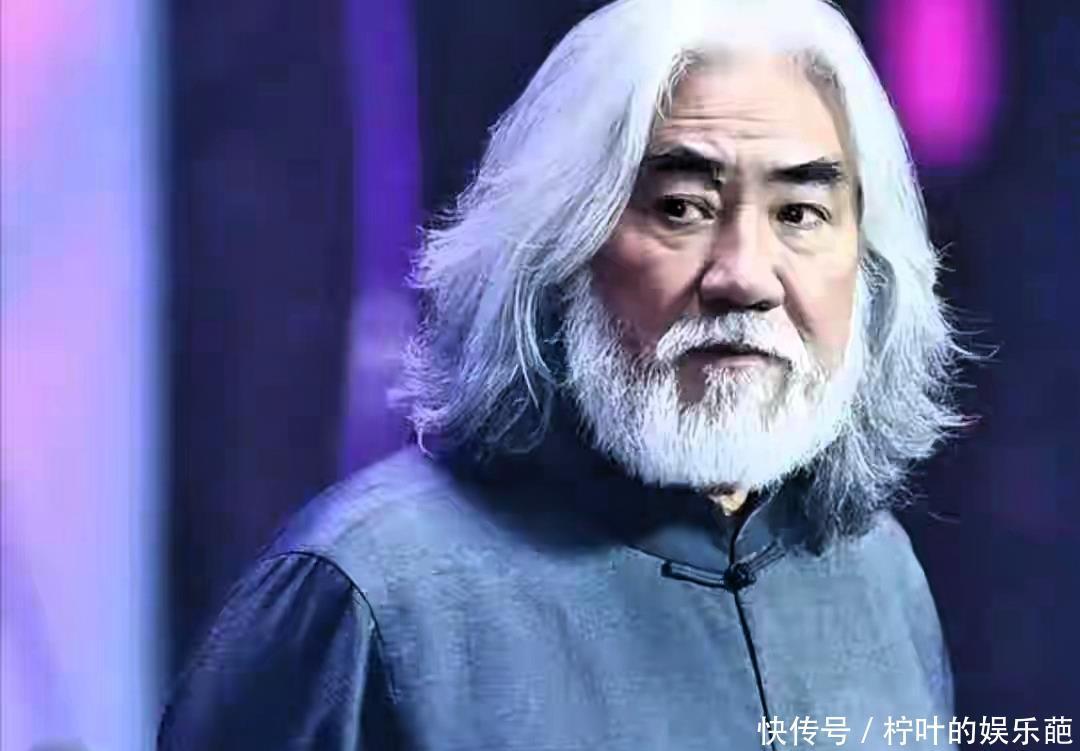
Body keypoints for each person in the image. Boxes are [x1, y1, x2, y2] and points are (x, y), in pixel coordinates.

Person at [159, 0, 974, 747]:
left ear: (868, 268)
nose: (745, 276)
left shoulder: (878, 574)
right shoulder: (367, 595)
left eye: (800, 214)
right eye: (680, 207)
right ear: (557, 248)